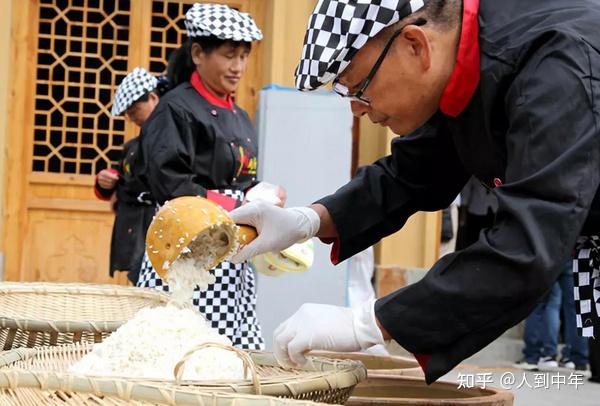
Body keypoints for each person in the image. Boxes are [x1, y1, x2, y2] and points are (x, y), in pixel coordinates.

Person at [229, 0, 600, 383]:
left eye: (359, 89)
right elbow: (413, 173)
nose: (356, 111)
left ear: (415, 45)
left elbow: (526, 245)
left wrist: (368, 323)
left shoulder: (555, 62)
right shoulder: (467, 56)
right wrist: (304, 221)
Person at [137, 3, 284, 351]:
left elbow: (242, 178)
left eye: (244, 56)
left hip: (229, 252)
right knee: (185, 348)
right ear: (199, 54)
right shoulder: (175, 109)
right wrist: (238, 203)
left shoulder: (240, 115)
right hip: (186, 250)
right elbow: (171, 184)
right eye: (230, 55)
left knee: (232, 346)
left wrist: (263, 195)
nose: (238, 67)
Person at [95, 67, 167, 284]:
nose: (132, 117)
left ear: (153, 98)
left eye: (135, 110)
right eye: (129, 113)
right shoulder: (133, 147)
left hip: (158, 224)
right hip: (134, 226)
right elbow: (122, 174)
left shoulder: (172, 139)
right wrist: (106, 181)